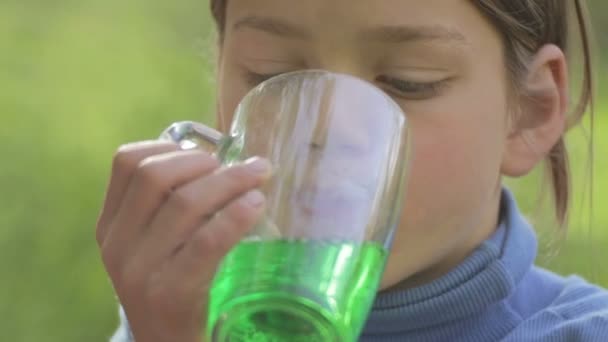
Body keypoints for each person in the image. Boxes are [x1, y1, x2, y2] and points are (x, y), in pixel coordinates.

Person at [96, 0, 608, 341]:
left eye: (409, 82)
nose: (324, 128)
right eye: (273, 73)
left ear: (532, 111)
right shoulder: (172, 315)